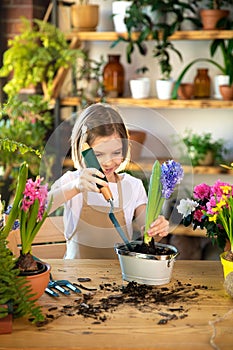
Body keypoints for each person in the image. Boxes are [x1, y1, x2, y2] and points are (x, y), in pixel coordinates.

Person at [48, 103, 169, 259]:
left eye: (116, 152)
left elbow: (149, 232)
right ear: (82, 149)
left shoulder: (132, 185)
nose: (108, 162)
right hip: (75, 277)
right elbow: (39, 209)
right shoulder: (72, 180)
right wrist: (75, 187)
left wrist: (157, 228)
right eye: (98, 154)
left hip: (119, 277)